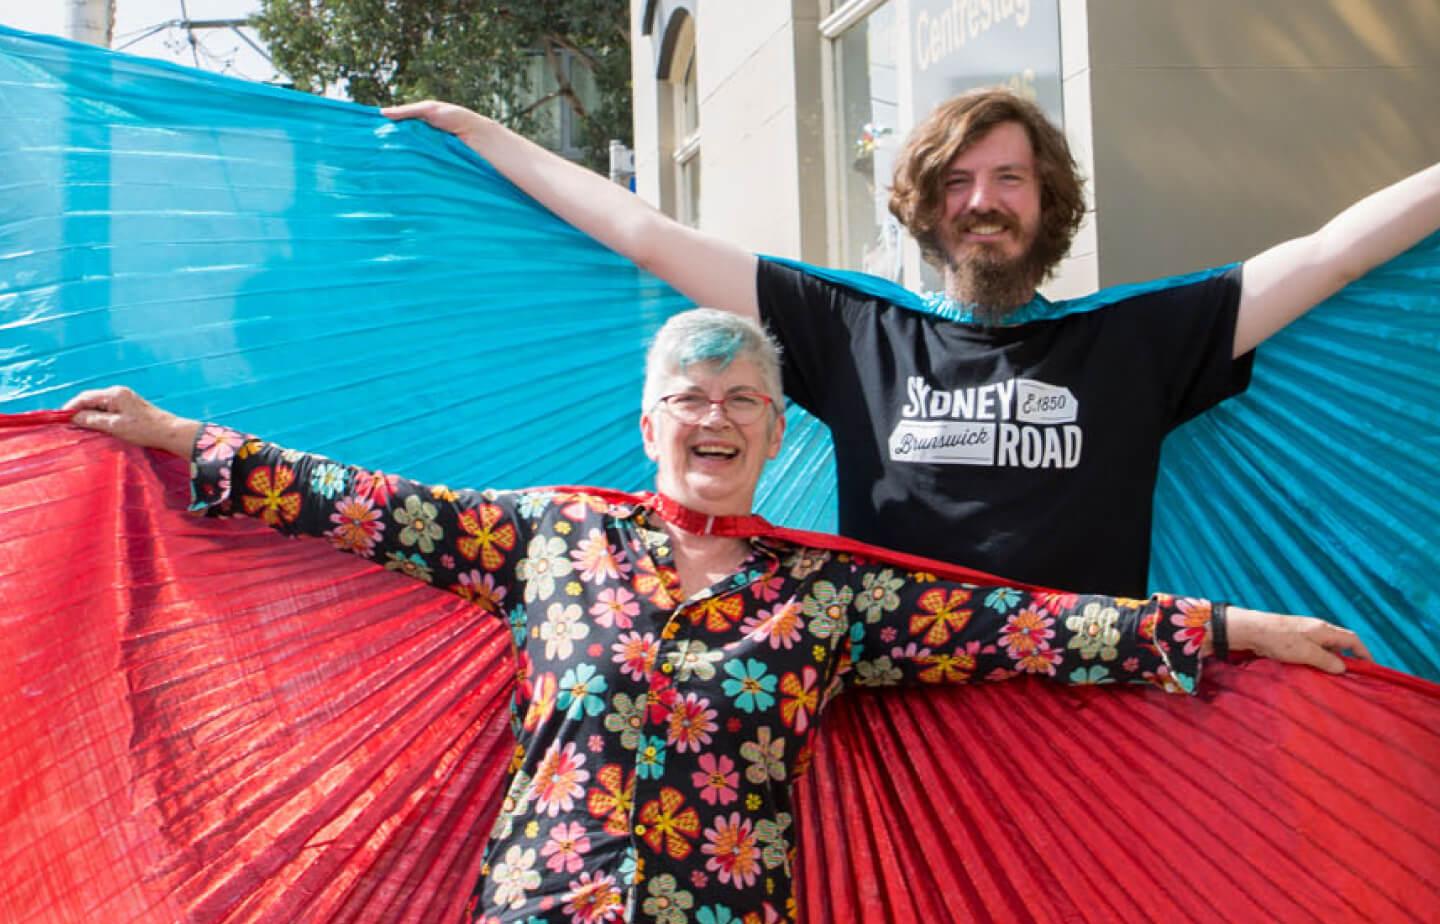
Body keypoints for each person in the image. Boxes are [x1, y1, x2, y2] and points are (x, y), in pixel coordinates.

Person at [65, 309, 1370, 924]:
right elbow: (368, 508)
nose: (716, 416)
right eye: (690, 398)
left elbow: (1026, 627)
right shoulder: (549, 537)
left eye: (745, 399)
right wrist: (188, 444)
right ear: (649, 424)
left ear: (775, 428)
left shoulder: (836, 598)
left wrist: (1231, 628)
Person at [382, 88, 1440, 594]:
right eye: (960, 182)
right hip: (898, 730)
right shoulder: (854, 331)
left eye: (1010, 179)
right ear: (927, 207)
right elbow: (646, 235)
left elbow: (1331, 256)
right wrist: (488, 137)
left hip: (1090, 721)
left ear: (1047, 203)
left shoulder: (1140, 342)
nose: (984, 202)